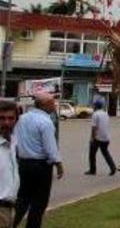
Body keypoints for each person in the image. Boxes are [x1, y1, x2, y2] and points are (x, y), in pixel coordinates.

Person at [14, 93, 63, 228]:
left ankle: (9, 223)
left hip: (23, 164)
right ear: (44, 105)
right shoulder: (45, 122)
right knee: (39, 202)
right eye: (52, 103)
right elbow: (50, 148)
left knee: (22, 199)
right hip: (41, 166)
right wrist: (58, 164)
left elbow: (16, 140)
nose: (54, 106)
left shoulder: (22, 118)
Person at [0, 100, 19, 228]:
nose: (6, 123)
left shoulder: (12, 142)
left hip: (9, 209)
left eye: (11, 118)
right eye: (1, 118)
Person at [85, 99, 116, 176]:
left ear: (95, 106)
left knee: (92, 154)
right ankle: (113, 168)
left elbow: (94, 128)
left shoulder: (95, 114)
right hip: (106, 137)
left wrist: (92, 138)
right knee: (105, 153)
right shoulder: (105, 114)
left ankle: (92, 170)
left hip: (98, 138)